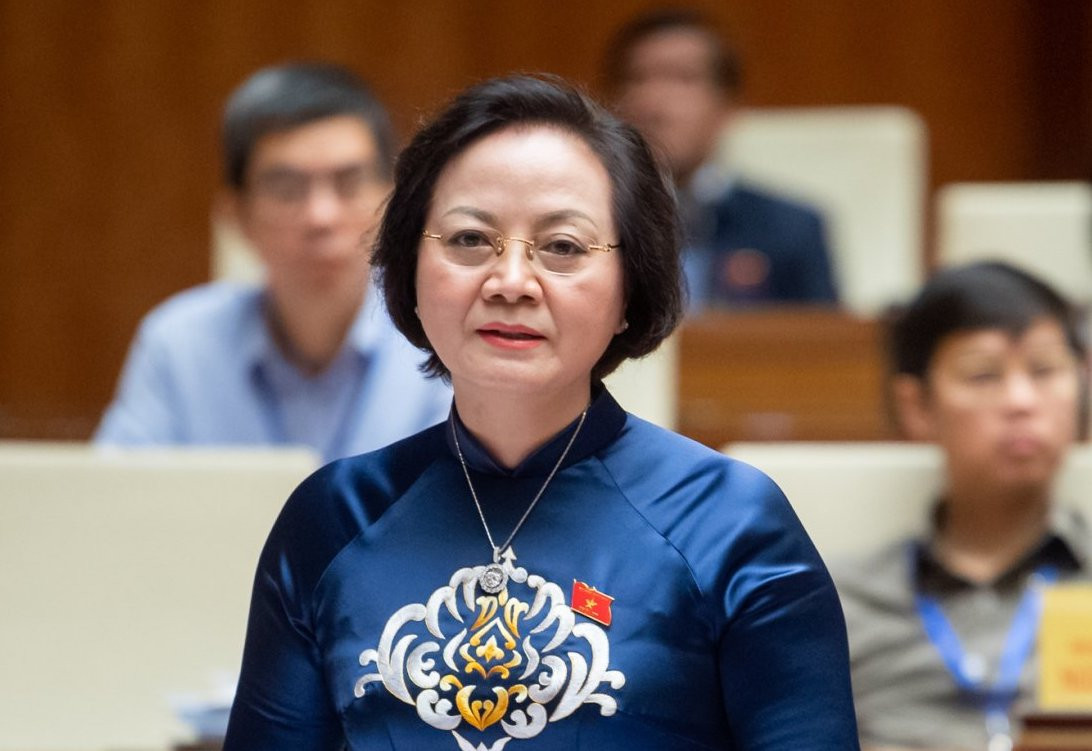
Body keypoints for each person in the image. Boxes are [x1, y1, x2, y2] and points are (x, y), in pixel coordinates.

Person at [223, 74, 859, 749]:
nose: (510, 282)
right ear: (409, 269)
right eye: (470, 239)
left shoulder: (728, 523)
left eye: (563, 247)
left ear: (629, 290)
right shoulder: (333, 517)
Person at [94, 63, 451, 463]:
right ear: (236, 215)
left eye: (348, 183)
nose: (320, 216)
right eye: (287, 188)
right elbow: (118, 494)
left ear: (391, 201)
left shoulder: (442, 333)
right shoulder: (180, 345)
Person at [833, 261, 1091, 750]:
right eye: (983, 375)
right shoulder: (842, 605)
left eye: (1044, 370)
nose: (1021, 401)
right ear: (916, 406)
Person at [603, 8, 838, 309]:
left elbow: (827, 337)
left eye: (682, 78)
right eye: (637, 79)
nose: (653, 103)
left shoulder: (791, 228)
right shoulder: (588, 217)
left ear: (727, 105)